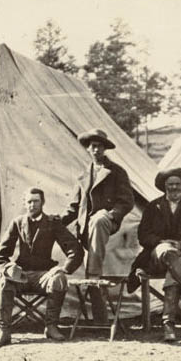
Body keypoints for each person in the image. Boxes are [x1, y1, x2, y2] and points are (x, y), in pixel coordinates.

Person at [0, 187, 83, 348]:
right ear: (24, 203)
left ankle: (51, 326)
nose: (32, 205)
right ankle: (4, 331)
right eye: (29, 202)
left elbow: (75, 250)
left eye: (36, 201)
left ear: (43, 203)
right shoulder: (17, 223)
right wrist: (7, 268)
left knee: (59, 279)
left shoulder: (53, 223)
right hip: (21, 276)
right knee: (4, 281)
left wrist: (63, 268)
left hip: (43, 276)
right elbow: (0, 254)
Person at [60, 128, 134, 323]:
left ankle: (93, 274)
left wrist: (111, 214)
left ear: (104, 149)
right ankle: (100, 319)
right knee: (89, 230)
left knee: (99, 219)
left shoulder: (116, 172)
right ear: (88, 149)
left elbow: (127, 201)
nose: (96, 150)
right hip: (86, 228)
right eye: (93, 146)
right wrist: (55, 222)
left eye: (100, 146)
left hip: (106, 222)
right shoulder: (83, 175)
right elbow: (74, 208)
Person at [127, 168, 181, 341]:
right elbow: (143, 235)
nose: (174, 187)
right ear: (165, 186)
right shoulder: (153, 207)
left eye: (177, 184)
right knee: (168, 251)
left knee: (174, 272)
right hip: (156, 256)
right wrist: (161, 242)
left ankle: (168, 325)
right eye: (170, 184)